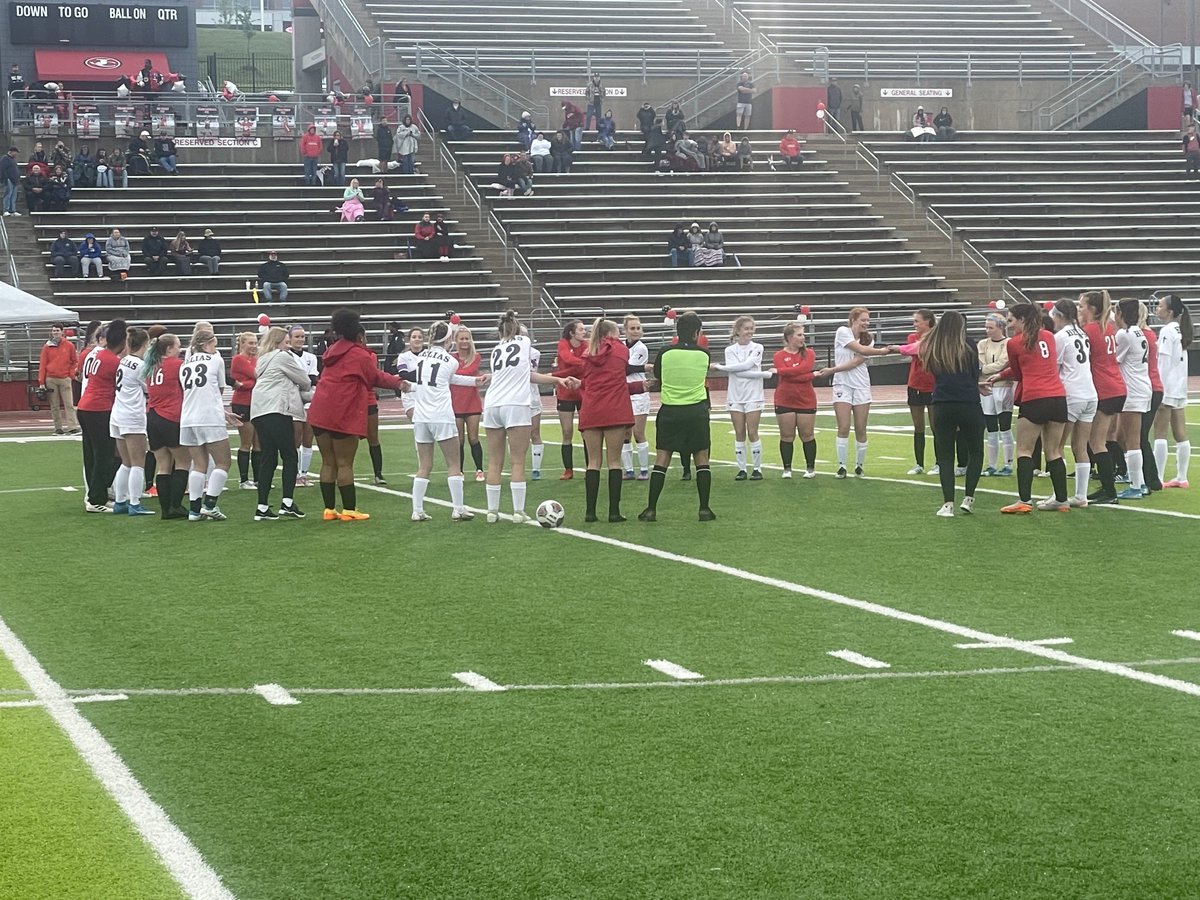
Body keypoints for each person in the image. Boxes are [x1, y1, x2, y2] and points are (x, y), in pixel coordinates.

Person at [306, 310, 403, 521]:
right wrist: (398, 382)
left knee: (328, 462)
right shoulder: (359, 354)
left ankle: (329, 509)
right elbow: (375, 377)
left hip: (319, 410)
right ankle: (349, 509)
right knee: (344, 463)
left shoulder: (331, 351)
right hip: (341, 412)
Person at [483, 311, 576, 523]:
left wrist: (556, 380)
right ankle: (518, 511)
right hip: (515, 404)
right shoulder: (524, 341)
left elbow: (526, 375)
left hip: (492, 404)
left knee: (495, 461)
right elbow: (526, 370)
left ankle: (491, 511)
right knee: (517, 461)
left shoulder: (496, 350)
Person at [986, 303, 1070, 513]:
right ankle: (1062, 500)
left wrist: (1001, 375)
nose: (1009, 325)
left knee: (1024, 449)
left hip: (1034, 398)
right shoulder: (1049, 336)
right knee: (1053, 451)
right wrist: (1002, 375)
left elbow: (1018, 372)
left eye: (1012, 320)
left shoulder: (1014, 343)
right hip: (1058, 397)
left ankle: (1024, 500)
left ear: (1022, 320)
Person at [402, 319, 488, 522]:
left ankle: (417, 510)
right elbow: (447, 378)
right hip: (441, 416)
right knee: (453, 464)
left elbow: (436, 381)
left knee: (424, 465)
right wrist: (476, 380)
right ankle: (458, 508)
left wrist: (474, 381)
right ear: (448, 338)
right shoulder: (451, 361)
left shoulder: (421, 356)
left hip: (421, 417)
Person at [903, 311, 984, 516]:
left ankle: (948, 503)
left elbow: (932, 372)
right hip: (969, 402)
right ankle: (969, 497)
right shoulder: (968, 344)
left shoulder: (934, 346)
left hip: (942, 403)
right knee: (975, 451)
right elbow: (975, 372)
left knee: (946, 456)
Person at [640, 312, 715, 522]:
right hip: (696, 411)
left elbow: (659, 375)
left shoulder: (665, 352)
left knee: (662, 457)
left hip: (671, 410)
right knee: (701, 457)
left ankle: (651, 509)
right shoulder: (704, 354)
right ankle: (704, 509)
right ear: (696, 333)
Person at [823, 307, 899, 478]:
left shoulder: (868, 338)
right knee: (843, 426)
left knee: (860, 428)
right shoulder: (843, 331)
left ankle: (859, 465)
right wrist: (881, 352)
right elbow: (860, 350)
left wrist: (831, 370)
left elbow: (857, 361)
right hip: (842, 384)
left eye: (868, 320)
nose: (866, 323)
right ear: (853, 320)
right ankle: (842, 466)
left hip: (861, 384)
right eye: (863, 320)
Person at [249, 326, 312, 520]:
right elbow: (304, 380)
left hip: (259, 410)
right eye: (286, 342)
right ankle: (287, 502)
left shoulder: (262, 359)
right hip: (277, 409)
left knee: (269, 456)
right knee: (290, 455)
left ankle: (262, 506)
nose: (289, 345)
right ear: (278, 343)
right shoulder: (282, 356)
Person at [578, 318, 637, 522]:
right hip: (615, 409)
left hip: (592, 409)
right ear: (611, 335)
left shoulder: (588, 353)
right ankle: (613, 512)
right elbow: (618, 377)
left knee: (593, 462)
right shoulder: (620, 350)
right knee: (614, 461)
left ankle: (590, 512)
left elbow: (590, 381)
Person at [179, 327, 238, 521]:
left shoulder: (185, 364)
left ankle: (194, 510)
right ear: (205, 344)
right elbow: (219, 389)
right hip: (209, 418)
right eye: (214, 343)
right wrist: (219, 412)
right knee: (223, 461)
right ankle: (210, 504)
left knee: (199, 464)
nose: (216, 347)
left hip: (188, 418)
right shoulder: (216, 360)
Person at [1048, 299, 1098, 508]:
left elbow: (1055, 367)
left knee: (1056, 447)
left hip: (1071, 394)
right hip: (1090, 394)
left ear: (1059, 316)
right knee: (1080, 447)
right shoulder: (1082, 333)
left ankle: (1058, 495)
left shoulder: (1060, 337)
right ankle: (1081, 495)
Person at [1078, 290, 1126, 504]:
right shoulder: (1107, 326)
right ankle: (1107, 486)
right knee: (1101, 439)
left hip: (1104, 388)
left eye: (1082, 306)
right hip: (1115, 385)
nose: (1079, 309)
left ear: (1093, 309)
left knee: (1097, 442)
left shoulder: (1089, 329)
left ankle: (1109, 490)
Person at [713, 316, 772, 481]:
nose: (749, 332)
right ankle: (741, 469)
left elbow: (743, 368)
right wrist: (764, 374)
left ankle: (757, 469)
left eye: (751, 328)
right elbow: (739, 371)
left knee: (752, 431)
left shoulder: (758, 347)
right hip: (735, 395)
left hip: (753, 395)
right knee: (739, 432)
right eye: (746, 328)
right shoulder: (730, 350)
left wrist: (720, 368)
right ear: (738, 331)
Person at [141, 332, 190, 519]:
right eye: (178, 346)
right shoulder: (177, 365)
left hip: (152, 416)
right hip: (170, 417)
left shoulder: (151, 366)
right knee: (183, 461)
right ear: (169, 348)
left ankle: (165, 508)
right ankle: (175, 505)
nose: (180, 350)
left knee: (163, 465)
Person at [109, 327, 156, 516]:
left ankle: (120, 501)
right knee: (138, 462)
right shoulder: (139, 365)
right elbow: (149, 387)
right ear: (145, 344)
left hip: (118, 414)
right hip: (132, 415)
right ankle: (135, 503)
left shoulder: (123, 361)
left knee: (126, 462)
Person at [77, 322, 121, 512]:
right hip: (99, 408)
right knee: (105, 454)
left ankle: (97, 494)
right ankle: (96, 498)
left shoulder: (97, 354)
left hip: (86, 406)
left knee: (93, 454)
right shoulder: (112, 360)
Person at [1111, 298, 1152, 500]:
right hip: (1140, 386)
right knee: (1120, 436)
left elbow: (1113, 359)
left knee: (1132, 440)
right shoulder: (1139, 332)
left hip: (1132, 390)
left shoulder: (1124, 334)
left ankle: (1137, 485)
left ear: (1120, 314)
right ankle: (1139, 480)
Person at [1153, 294, 1192, 487]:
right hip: (1179, 386)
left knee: (1160, 433)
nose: (1157, 309)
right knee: (1180, 433)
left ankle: (1158, 477)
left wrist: (1159, 387)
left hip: (1167, 386)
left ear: (1169, 312)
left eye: (1160, 306)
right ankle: (1181, 476)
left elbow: (1164, 363)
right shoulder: (1179, 329)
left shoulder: (1168, 330)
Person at [774, 321, 819, 478]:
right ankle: (787, 469)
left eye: (803, 334)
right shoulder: (779, 355)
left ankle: (810, 468)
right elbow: (794, 376)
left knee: (807, 434)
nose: (803, 338)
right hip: (784, 399)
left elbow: (802, 370)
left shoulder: (809, 353)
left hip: (806, 399)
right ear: (789, 337)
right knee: (786, 435)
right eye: (799, 335)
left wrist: (782, 371)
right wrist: (811, 375)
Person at [553, 319, 588, 479]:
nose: (584, 331)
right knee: (567, 432)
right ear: (572, 333)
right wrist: (580, 365)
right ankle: (568, 469)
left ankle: (591, 467)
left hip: (582, 390)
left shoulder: (586, 345)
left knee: (587, 431)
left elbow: (584, 366)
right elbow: (567, 359)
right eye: (580, 329)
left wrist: (556, 375)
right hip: (565, 392)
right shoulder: (563, 343)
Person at [905, 309, 937, 475]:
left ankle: (939, 463)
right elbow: (914, 349)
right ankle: (919, 464)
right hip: (915, 384)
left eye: (917, 321)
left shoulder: (937, 337)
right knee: (918, 427)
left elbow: (924, 350)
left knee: (935, 426)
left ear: (928, 321)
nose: (915, 324)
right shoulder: (912, 337)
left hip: (933, 385)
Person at [451, 326, 485, 480]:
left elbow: (467, 372)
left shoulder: (476, 357)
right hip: (455, 403)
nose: (464, 341)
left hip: (472, 403)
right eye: (461, 338)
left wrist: (455, 375)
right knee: (459, 440)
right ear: (456, 340)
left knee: (473, 438)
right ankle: (460, 471)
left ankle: (479, 469)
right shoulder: (451, 358)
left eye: (467, 338)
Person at [619, 316, 651, 481]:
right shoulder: (620, 346)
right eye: (632, 328)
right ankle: (629, 470)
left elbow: (626, 369)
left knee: (638, 432)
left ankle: (644, 469)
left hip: (639, 393)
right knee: (625, 433)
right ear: (625, 330)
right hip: (623, 392)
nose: (636, 331)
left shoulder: (641, 348)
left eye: (638, 328)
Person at [1138, 302, 1165, 493]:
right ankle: (1147, 477)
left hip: (1149, 387)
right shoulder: (1149, 334)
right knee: (1139, 436)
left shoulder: (1142, 335)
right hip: (1153, 386)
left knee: (1139, 437)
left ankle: (1150, 479)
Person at [230, 332, 260, 490]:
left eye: (255, 343)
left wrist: (245, 384)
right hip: (242, 403)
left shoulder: (256, 359)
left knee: (258, 443)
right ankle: (243, 480)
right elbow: (257, 376)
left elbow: (248, 381)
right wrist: (250, 383)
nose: (254, 346)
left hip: (257, 402)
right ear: (242, 344)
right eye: (250, 343)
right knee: (246, 442)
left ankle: (257, 478)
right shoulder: (238, 359)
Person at [38, 323, 79, 434]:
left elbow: (74, 361)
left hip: (64, 377)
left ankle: (72, 426)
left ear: (62, 332)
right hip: (51, 378)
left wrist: (70, 374)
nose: (55, 332)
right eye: (54, 331)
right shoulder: (47, 347)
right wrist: (41, 381)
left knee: (69, 403)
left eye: (57, 330)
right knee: (54, 405)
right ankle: (58, 427)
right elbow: (43, 364)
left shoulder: (69, 345)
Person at [396, 327, 424, 421]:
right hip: (410, 397)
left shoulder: (429, 355)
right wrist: (424, 372)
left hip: (427, 396)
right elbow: (404, 375)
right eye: (414, 337)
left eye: (420, 337)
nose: (417, 339)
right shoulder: (403, 357)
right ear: (409, 340)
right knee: (418, 422)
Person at [1, 146, 19, 216]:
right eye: (16, 152)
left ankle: (12, 210)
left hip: (14, 180)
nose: (16, 154)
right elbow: (2, 169)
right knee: (8, 194)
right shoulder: (5, 158)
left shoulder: (13, 159)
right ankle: (6, 209)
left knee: (13, 196)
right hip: (8, 179)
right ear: (11, 152)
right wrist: (5, 178)